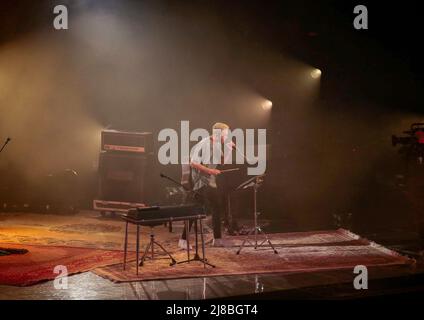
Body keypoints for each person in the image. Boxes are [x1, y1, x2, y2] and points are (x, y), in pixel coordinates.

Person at [179, 122, 233, 248]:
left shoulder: (218, 145)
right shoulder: (204, 143)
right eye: (226, 134)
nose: (227, 136)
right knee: (195, 211)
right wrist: (210, 171)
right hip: (200, 182)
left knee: (216, 207)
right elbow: (193, 163)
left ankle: (217, 239)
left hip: (210, 182)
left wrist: (229, 149)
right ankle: (183, 240)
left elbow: (222, 162)